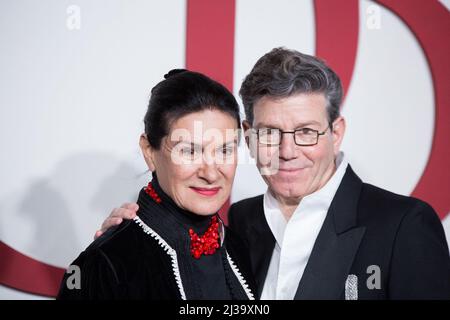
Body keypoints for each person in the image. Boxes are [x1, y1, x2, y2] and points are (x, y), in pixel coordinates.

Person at [96, 48, 450, 300]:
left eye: (306, 131)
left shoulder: (403, 226)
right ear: (248, 135)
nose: (286, 151)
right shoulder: (238, 222)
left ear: (336, 132)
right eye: (269, 133)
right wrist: (130, 244)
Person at [57, 69, 256, 300]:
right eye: (189, 151)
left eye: (225, 150)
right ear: (149, 152)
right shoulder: (103, 262)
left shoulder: (238, 246)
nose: (211, 173)